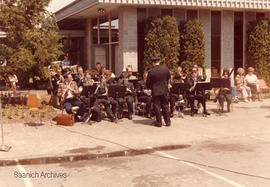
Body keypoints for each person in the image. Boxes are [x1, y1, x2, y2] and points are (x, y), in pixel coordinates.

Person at [146, 57, 171, 127]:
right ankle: (168, 122)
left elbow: (148, 83)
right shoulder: (165, 69)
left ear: (153, 62)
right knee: (165, 106)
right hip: (164, 90)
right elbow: (168, 78)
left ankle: (159, 122)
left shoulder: (151, 71)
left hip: (155, 91)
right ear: (159, 61)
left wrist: (149, 87)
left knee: (157, 106)